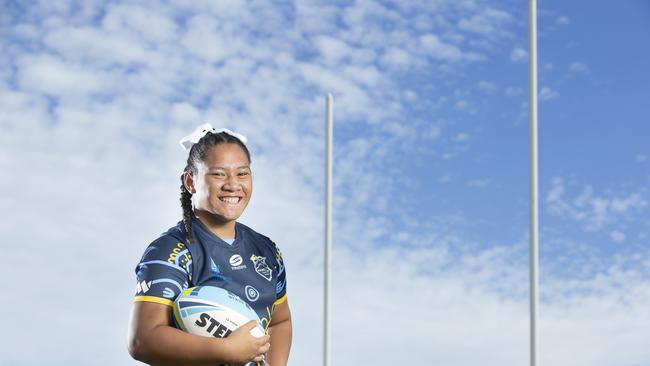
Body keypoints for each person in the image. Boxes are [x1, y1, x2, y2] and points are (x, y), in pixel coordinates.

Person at [128, 124, 292, 366]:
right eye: (218, 174)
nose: (233, 185)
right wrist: (226, 350)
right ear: (190, 181)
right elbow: (143, 340)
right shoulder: (171, 249)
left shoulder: (267, 251)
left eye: (242, 173)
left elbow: (280, 321)